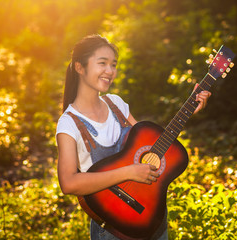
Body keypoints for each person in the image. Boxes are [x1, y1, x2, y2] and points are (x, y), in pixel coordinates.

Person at [56, 34, 211, 240]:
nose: (110, 71)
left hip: (150, 216)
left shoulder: (116, 104)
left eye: (113, 65)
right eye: (102, 63)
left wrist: (190, 109)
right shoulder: (69, 123)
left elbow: (151, 144)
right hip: (113, 228)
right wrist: (128, 172)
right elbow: (68, 183)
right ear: (79, 67)